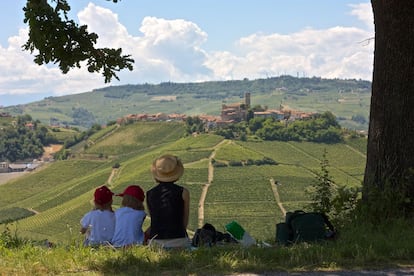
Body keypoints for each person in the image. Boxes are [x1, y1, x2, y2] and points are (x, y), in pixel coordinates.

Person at [146, 154, 190, 249]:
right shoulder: (183, 192)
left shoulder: (149, 194)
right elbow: (185, 220)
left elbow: (154, 218)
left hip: (155, 241)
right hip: (179, 239)